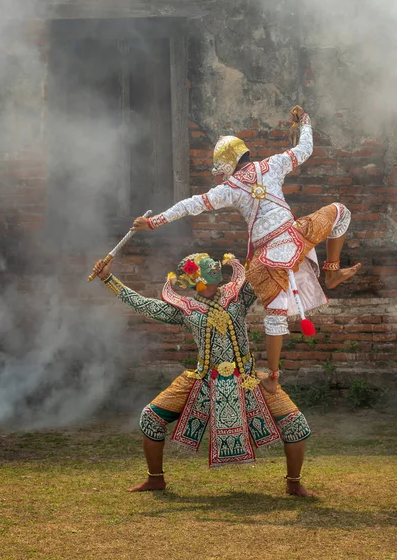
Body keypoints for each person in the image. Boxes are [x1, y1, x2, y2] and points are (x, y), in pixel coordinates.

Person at [132, 106, 361, 394]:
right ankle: (332, 270)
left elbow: (191, 205)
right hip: (294, 235)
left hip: (268, 255)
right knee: (341, 212)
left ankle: (274, 379)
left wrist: (154, 221)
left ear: (227, 164)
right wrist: (305, 121)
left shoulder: (229, 188)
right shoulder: (272, 164)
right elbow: (305, 148)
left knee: (276, 314)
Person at [93, 253, 314, 496]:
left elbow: (264, 271)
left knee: (296, 426)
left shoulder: (237, 295)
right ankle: (155, 479)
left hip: (249, 378)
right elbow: (142, 304)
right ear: (196, 276)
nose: (216, 264)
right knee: (150, 419)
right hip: (203, 379)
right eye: (207, 263)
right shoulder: (186, 309)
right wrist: (108, 278)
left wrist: (284, 247)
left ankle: (293, 483)